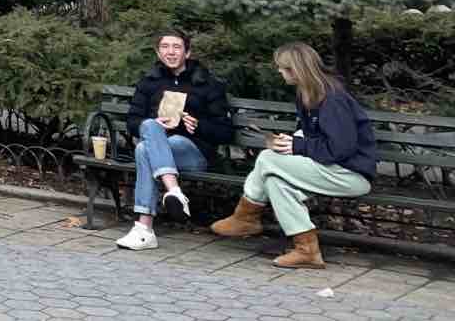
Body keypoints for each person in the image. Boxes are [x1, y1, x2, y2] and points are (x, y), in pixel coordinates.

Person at [210, 41, 377, 269]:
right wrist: (291, 141)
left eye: (282, 67)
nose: (278, 71)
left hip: (351, 175)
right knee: (275, 181)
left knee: (268, 159)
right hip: (329, 169)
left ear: (296, 69)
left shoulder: (333, 98)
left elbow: (341, 148)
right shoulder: (307, 93)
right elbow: (313, 135)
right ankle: (307, 251)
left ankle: (246, 216)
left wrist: (298, 147)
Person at [113, 29, 234, 251]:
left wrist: (198, 126)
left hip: (193, 153)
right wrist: (155, 122)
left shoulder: (207, 84)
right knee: (147, 134)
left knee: (143, 150)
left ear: (187, 52)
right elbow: (133, 122)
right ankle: (174, 192)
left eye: (177, 47)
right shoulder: (149, 82)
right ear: (158, 53)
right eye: (165, 47)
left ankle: (144, 228)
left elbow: (226, 132)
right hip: (158, 148)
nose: (171, 52)